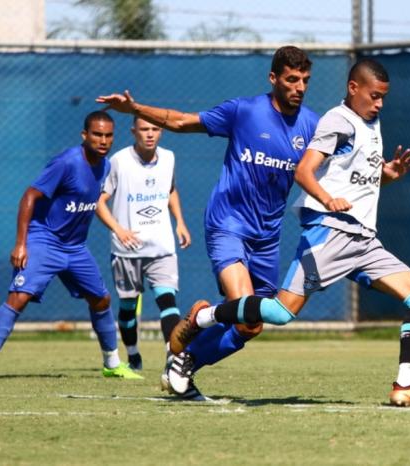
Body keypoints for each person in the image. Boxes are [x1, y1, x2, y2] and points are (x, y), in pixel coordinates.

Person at [169, 58, 410, 408]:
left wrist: (387, 175)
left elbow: (354, 177)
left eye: (383, 98)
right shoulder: (337, 121)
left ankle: (406, 386)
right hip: (331, 234)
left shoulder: (368, 123)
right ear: (353, 88)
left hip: (363, 239)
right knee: (280, 313)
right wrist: (328, 200)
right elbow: (304, 172)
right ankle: (204, 318)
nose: (379, 104)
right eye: (374, 96)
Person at [96, 46, 319, 398]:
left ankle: (185, 359)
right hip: (227, 223)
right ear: (273, 78)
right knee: (243, 302)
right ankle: (198, 323)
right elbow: (183, 121)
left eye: (305, 80)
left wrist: (383, 173)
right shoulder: (244, 111)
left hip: (267, 236)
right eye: (292, 79)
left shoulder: (311, 125)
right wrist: (135, 109)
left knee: (252, 325)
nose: (299, 87)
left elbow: (344, 165)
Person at [0, 111, 143, 382]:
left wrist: (117, 228)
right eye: (97, 134)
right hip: (45, 241)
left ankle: (112, 363)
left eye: (108, 135)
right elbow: (30, 195)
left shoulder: (105, 166)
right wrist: (21, 244)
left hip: (75, 247)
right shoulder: (66, 162)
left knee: (102, 299)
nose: (103, 140)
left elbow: (93, 201)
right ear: (84, 135)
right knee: (19, 297)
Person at [96, 117, 193, 391]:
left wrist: (180, 223)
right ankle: (133, 353)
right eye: (144, 129)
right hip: (126, 250)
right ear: (134, 132)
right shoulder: (118, 161)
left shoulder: (169, 158)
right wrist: (118, 229)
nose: (150, 135)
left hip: (161, 246)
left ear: (160, 132)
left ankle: (173, 358)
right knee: (128, 306)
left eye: (154, 129)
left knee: (168, 301)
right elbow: (100, 201)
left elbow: (170, 189)